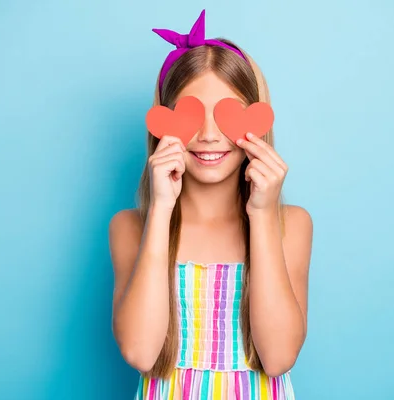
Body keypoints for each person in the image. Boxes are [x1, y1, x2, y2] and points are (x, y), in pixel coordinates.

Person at [109, 9, 313, 399]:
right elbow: (140, 351)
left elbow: (278, 356)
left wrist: (263, 214)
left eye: (227, 116)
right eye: (190, 116)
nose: (207, 135)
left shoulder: (292, 225)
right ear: (163, 123)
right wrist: (160, 211)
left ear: (257, 121)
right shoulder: (129, 227)